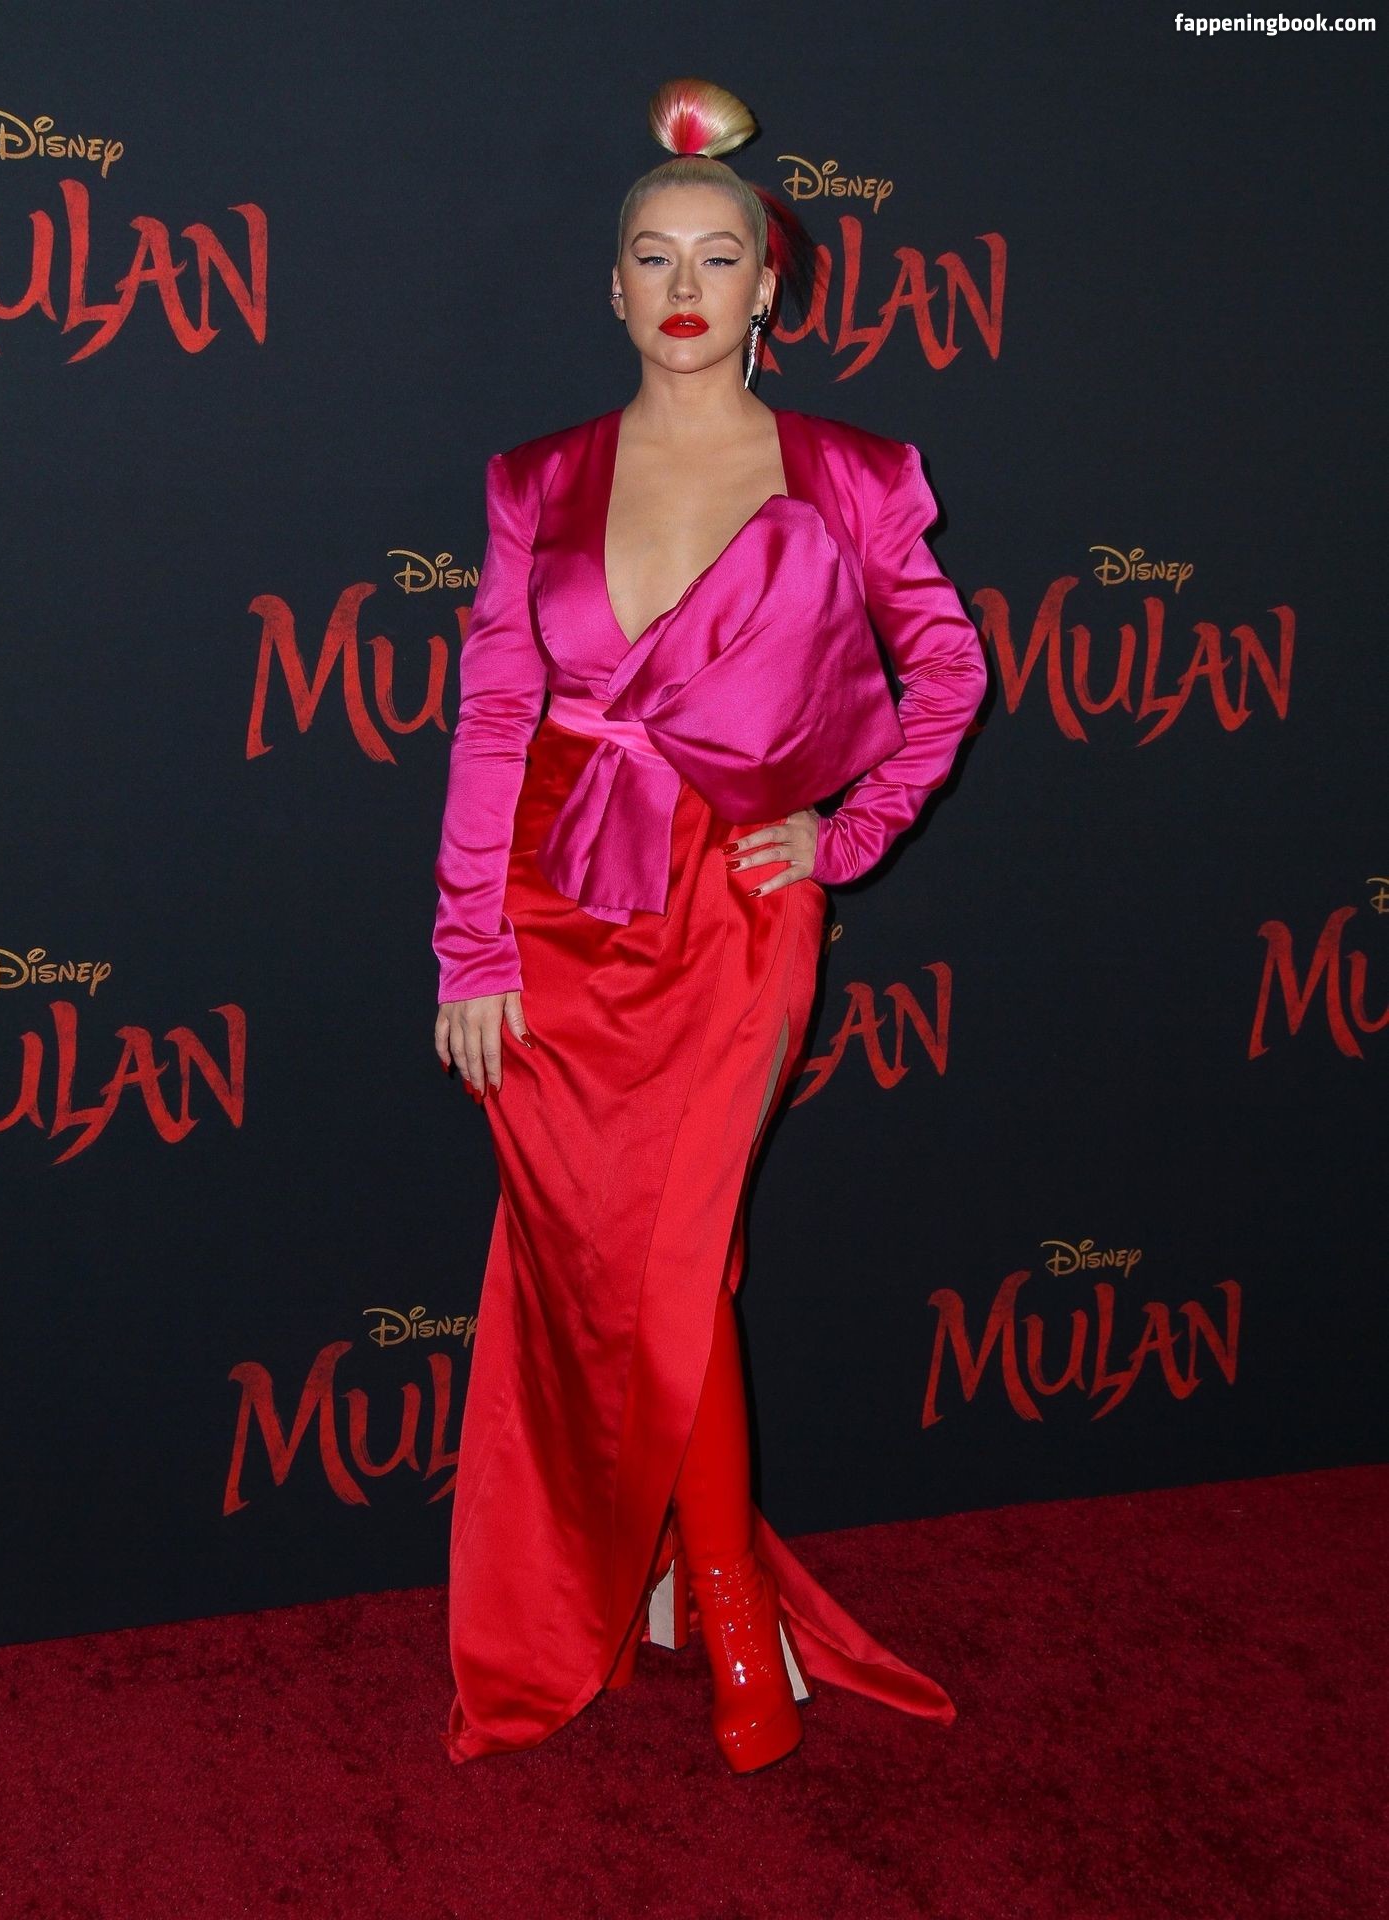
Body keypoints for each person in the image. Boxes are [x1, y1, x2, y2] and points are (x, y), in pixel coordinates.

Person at [431, 75, 988, 1775]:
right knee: (604, 1269)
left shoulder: (851, 474)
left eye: (719, 257)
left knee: (674, 1256)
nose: (685, 287)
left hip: (736, 913)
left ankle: (728, 1600)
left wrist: (846, 832)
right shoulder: (536, 479)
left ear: (769, 287)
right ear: (611, 287)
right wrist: (471, 946)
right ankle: (677, 1579)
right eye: (654, 257)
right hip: (554, 909)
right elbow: (493, 717)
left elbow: (947, 672)